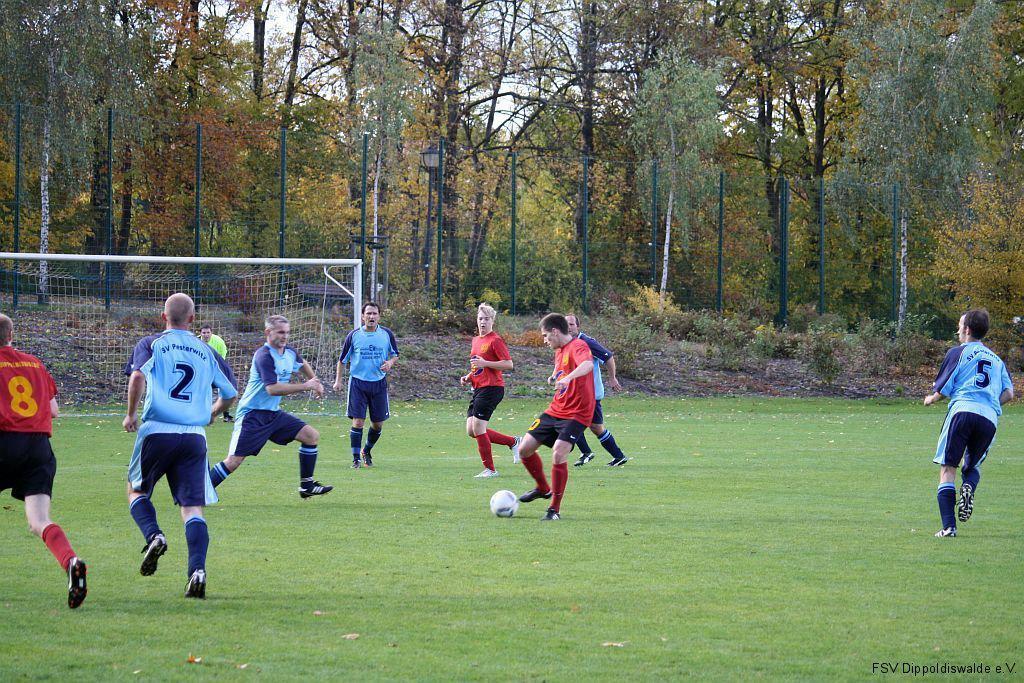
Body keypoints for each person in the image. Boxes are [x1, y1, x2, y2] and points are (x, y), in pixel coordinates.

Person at [123, 293, 238, 598]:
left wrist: (131, 414)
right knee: (192, 507)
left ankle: (154, 536)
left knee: (136, 490)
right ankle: (197, 571)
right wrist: (212, 413)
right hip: (194, 436)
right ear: (193, 319)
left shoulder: (152, 343)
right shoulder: (206, 350)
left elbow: (137, 376)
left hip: (157, 430)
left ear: (164, 317)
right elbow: (230, 393)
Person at [0, 314, 88, 608]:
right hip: (38, 447)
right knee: (38, 521)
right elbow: (53, 410)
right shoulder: (34, 364)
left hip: (3, 441)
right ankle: (70, 561)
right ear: (11, 335)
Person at [208, 315, 331, 498]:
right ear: (268, 332)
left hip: (273, 414)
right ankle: (197, 491)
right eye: (280, 332)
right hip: (252, 415)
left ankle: (307, 486)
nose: (285, 336)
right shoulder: (264, 356)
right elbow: (272, 389)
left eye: (287, 332)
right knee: (234, 461)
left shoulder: (289, 352)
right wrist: (307, 386)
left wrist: (315, 381)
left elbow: (302, 364)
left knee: (311, 436)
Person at [923, 308, 1013, 538]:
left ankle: (949, 528)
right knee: (972, 466)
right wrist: (990, 404)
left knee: (948, 468)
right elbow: (1009, 393)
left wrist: (931, 398)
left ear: (967, 329)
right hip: (989, 418)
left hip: (963, 411)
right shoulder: (997, 360)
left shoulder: (958, 352)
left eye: (960, 326)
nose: (958, 330)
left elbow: (944, 388)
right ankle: (969, 487)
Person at [515, 313, 595, 521]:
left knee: (559, 453)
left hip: (577, 413)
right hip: (555, 410)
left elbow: (587, 365)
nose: (544, 340)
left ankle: (554, 510)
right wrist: (554, 376)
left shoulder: (579, 346)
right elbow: (562, 368)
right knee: (524, 448)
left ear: (555, 331)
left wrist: (568, 378)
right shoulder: (559, 350)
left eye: (545, 336)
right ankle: (543, 489)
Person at [334, 302, 399, 468]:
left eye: (374, 313)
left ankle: (366, 450)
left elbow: (395, 354)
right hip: (358, 384)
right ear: (363, 316)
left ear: (379, 316)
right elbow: (342, 360)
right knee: (358, 422)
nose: (371, 316)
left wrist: (390, 363)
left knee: (378, 424)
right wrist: (338, 381)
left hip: (379, 384)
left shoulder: (386, 334)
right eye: (368, 313)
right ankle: (355, 459)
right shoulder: (354, 335)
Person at [459, 303, 520, 478]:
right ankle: (513, 442)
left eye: (486, 319)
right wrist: (468, 377)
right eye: (480, 318)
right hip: (479, 388)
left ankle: (490, 470)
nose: (483, 322)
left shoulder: (495, 340)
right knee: (471, 431)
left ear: (492, 320)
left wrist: (485, 363)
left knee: (479, 428)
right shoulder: (476, 340)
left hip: (492, 388)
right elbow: (477, 366)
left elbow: (508, 364)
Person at [564, 314, 628, 467]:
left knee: (573, 421)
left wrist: (612, 378)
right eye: (566, 324)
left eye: (571, 324)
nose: (568, 327)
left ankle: (588, 452)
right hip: (577, 393)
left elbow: (608, 357)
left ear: (578, 326)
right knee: (594, 427)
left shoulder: (587, 342)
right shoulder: (567, 343)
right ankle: (617, 456)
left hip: (590, 394)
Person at [199, 324, 233, 422]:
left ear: (211, 333)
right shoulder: (196, 342)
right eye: (204, 333)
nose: (206, 335)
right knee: (202, 390)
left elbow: (222, 358)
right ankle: (202, 413)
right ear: (200, 333)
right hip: (202, 370)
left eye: (208, 332)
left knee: (224, 389)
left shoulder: (219, 342)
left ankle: (226, 416)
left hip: (217, 367)